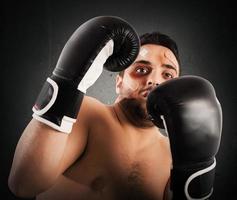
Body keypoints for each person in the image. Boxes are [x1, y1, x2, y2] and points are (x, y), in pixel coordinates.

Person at [8, 16, 222, 200]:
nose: (154, 81)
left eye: (167, 75)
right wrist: (67, 84)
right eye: (141, 69)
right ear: (118, 81)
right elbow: (24, 185)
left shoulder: (174, 154)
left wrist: (197, 169)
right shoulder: (88, 115)